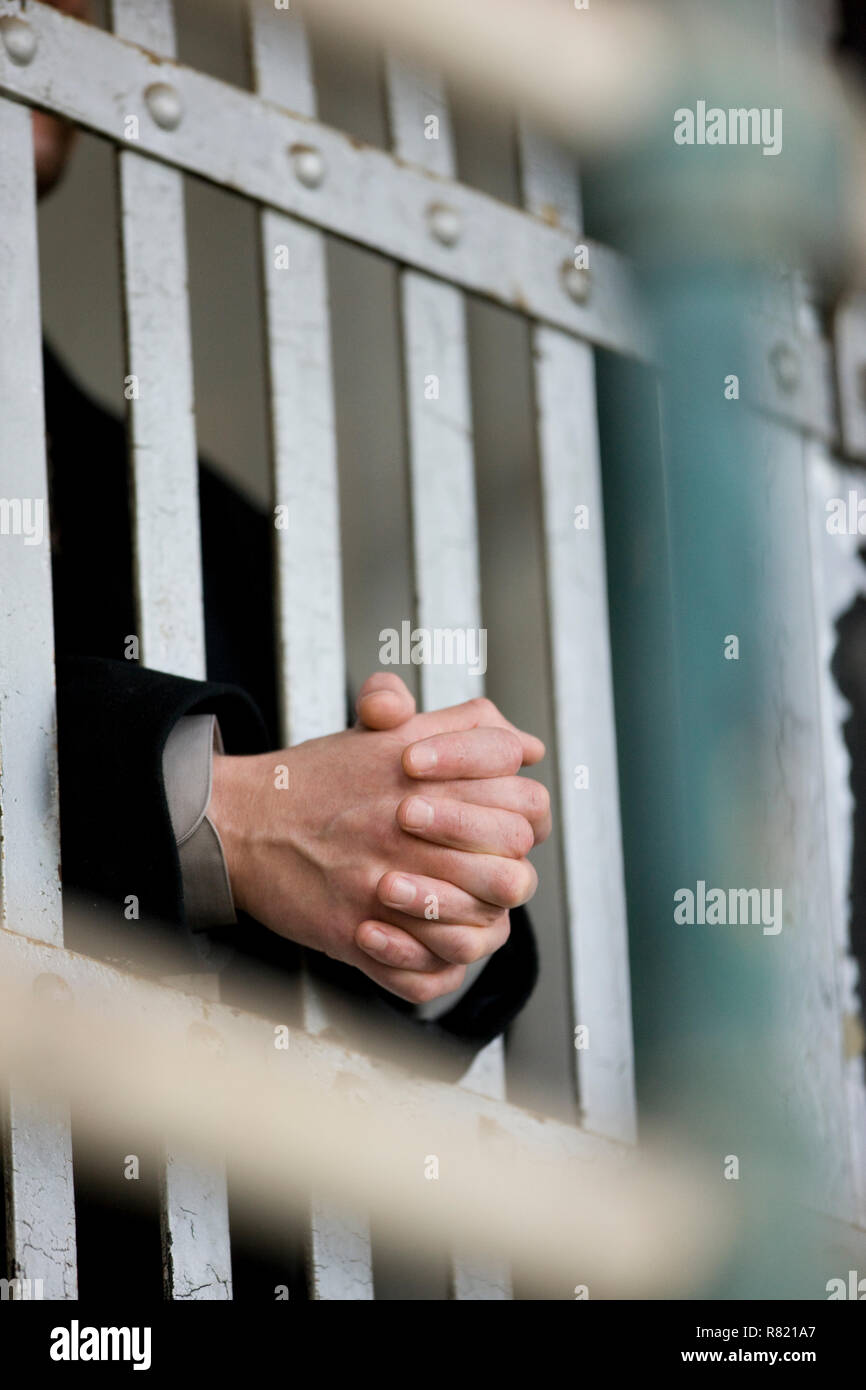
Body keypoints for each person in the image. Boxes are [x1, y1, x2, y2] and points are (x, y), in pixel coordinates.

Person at [36, 0, 549, 1070]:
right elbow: (287, 822)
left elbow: (336, 842)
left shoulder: (193, 520)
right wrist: (227, 815)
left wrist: (430, 884)